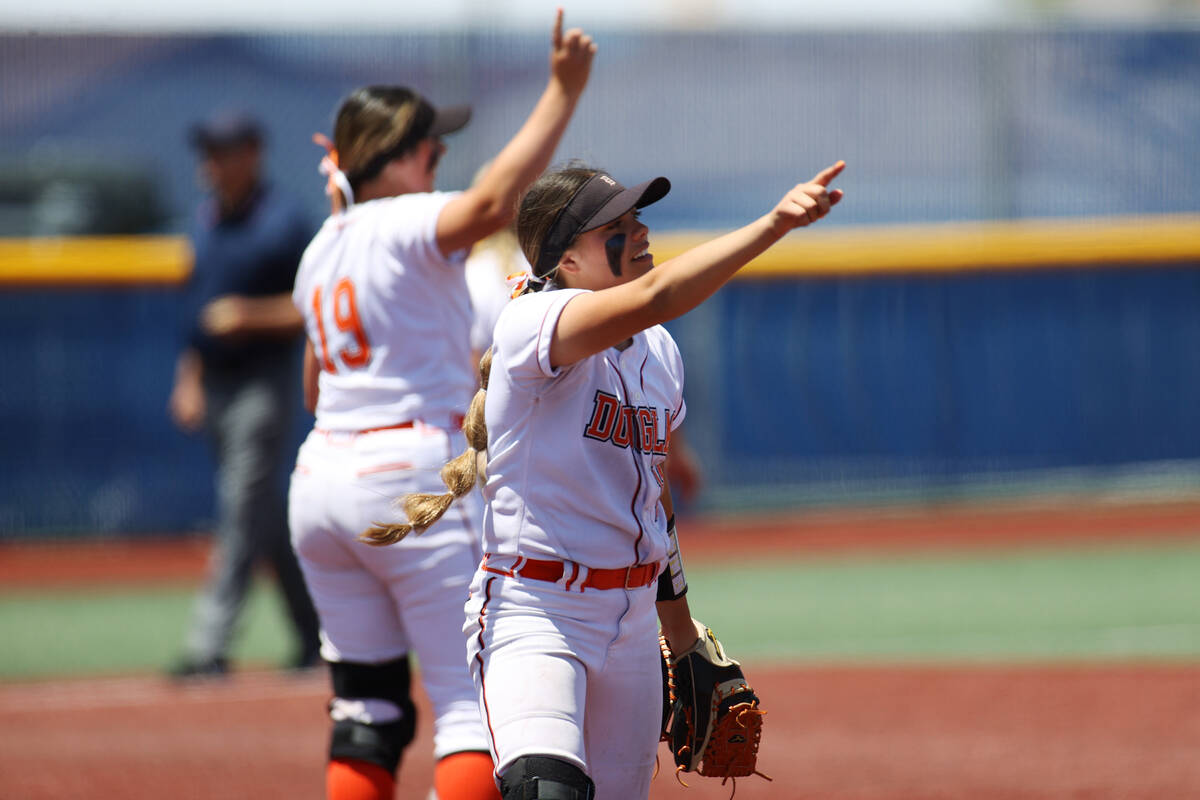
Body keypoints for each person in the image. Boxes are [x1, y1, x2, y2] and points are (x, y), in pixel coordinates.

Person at [364, 157, 845, 798]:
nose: (638, 230)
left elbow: (656, 505)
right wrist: (772, 226)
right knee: (547, 790)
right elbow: (653, 296)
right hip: (537, 613)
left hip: (633, 626)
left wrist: (680, 633)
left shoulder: (659, 354)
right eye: (613, 225)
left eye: (638, 215)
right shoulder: (533, 322)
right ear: (566, 260)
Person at [286, 11, 596, 800]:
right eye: (431, 148)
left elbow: (314, 386)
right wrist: (562, 93)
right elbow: (494, 202)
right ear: (396, 157)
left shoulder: (323, 246)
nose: (439, 162)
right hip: (406, 466)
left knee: (368, 709)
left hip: (319, 477)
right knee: (473, 709)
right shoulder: (403, 223)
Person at [167, 111, 322, 679]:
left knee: (239, 509)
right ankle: (315, 635)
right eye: (207, 151)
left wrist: (248, 315)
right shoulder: (206, 218)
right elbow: (194, 313)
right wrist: (187, 379)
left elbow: (311, 303)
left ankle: (209, 644)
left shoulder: (283, 221)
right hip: (215, 381)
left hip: (263, 382)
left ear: (252, 153)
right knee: (266, 519)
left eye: (222, 150)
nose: (210, 162)